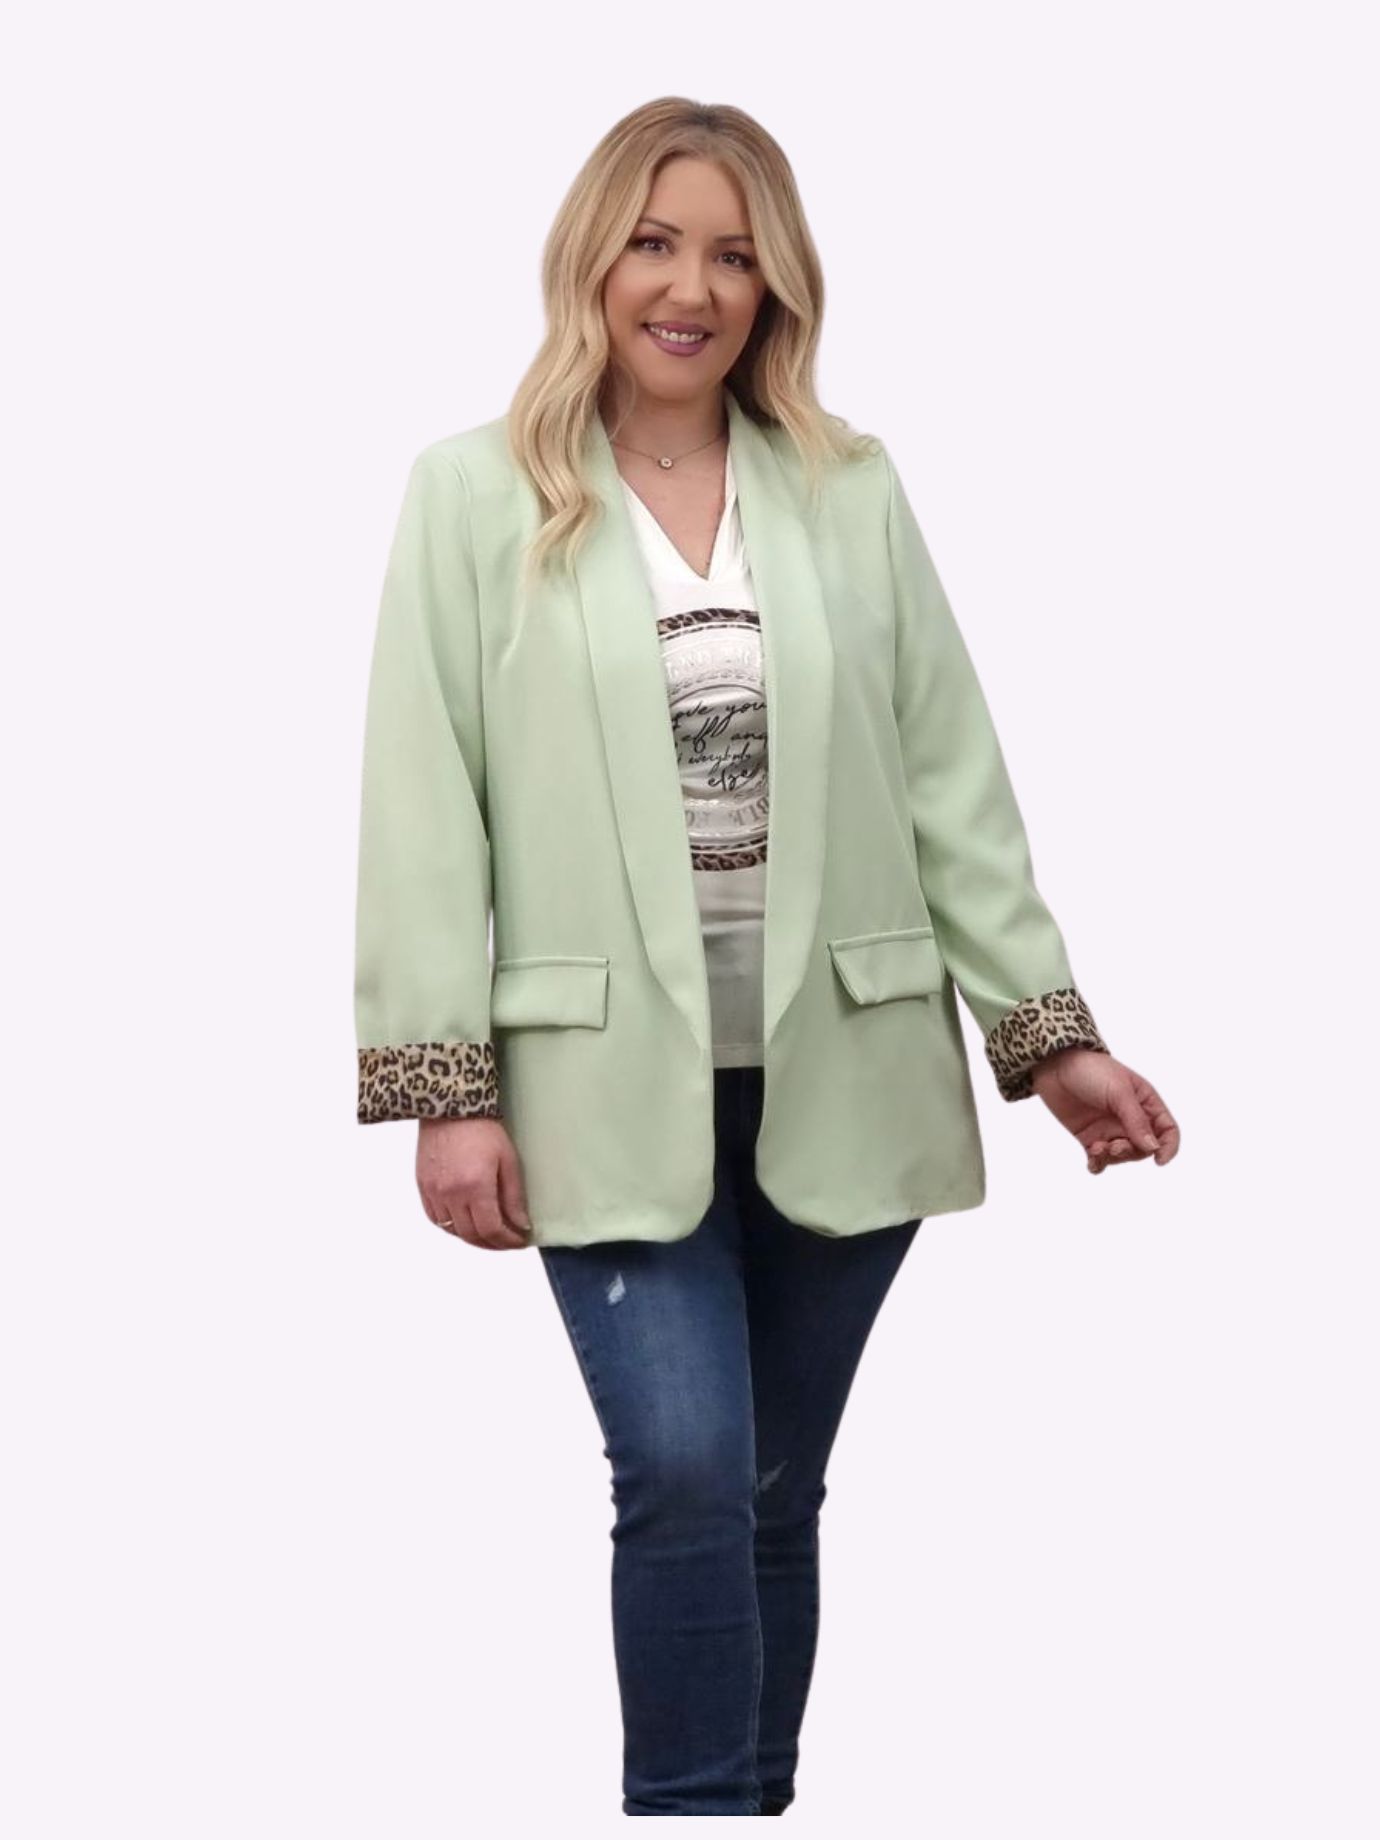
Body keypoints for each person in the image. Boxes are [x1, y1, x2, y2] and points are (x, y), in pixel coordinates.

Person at [354, 97, 1180, 1818]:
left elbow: (949, 775)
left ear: (777, 284)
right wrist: (444, 1084)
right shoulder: (470, 494)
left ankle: (752, 1805)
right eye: (656, 243)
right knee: (683, 1470)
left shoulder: (845, 486)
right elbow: (426, 802)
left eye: (735, 255)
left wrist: (1050, 1039)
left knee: (773, 1492)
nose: (693, 287)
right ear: (592, 259)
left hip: (846, 1068)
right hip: (595, 1085)